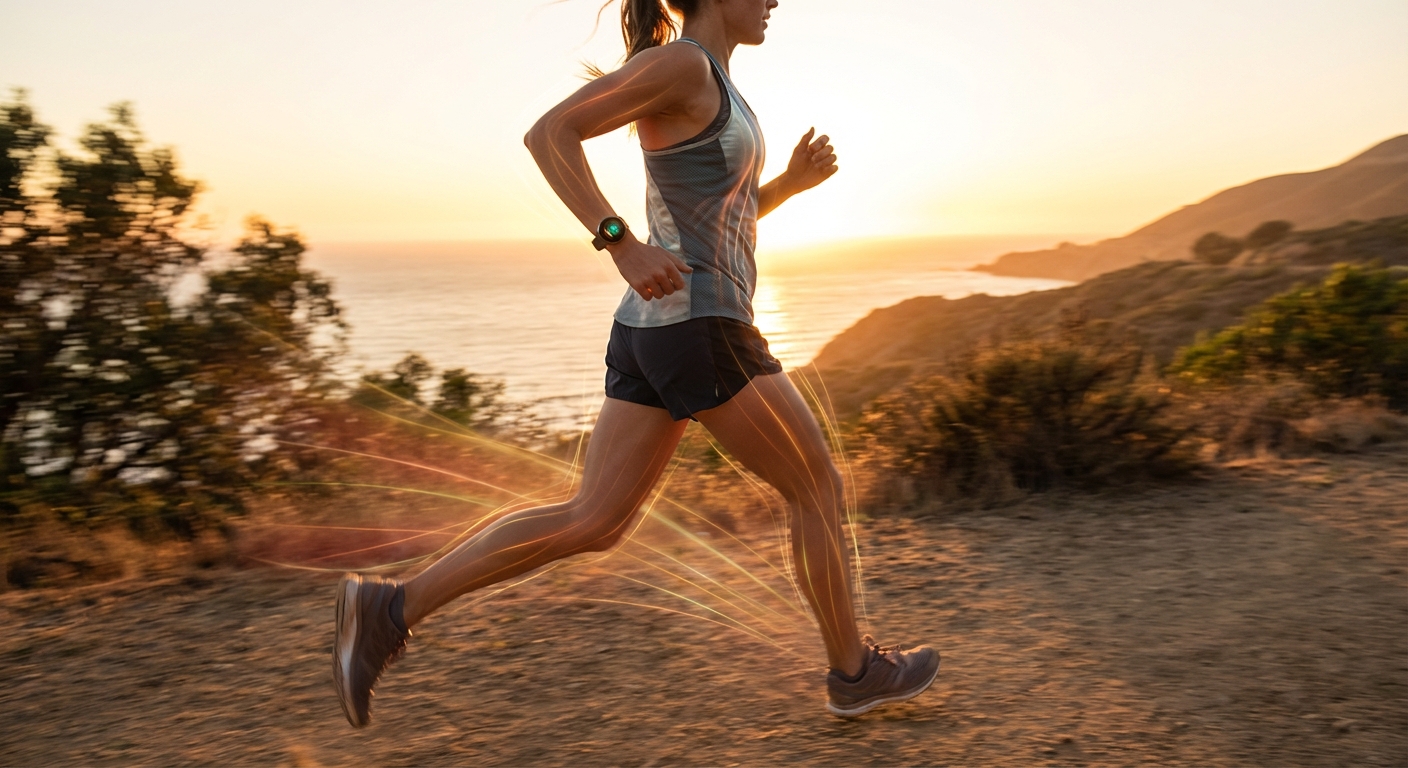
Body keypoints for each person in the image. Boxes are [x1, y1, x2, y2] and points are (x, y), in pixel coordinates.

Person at [332, 0, 939, 728]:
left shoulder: (709, 77)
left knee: (593, 518)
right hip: (700, 324)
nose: (777, 0)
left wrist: (787, 187)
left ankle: (390, 607)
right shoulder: (680, 64)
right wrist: (618, 241)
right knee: (815, 484)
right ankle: (854, 672)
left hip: (661, 328)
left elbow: (721, 219)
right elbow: (548, 133)